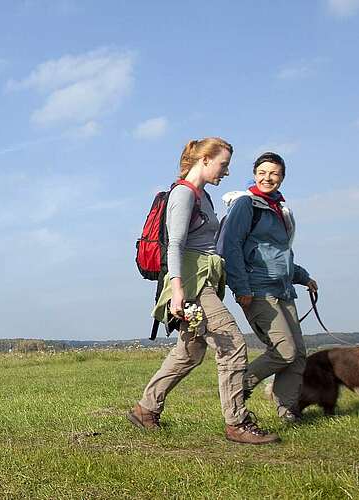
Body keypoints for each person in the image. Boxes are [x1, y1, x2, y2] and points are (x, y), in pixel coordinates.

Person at [127, 137, 279, 445]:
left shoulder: (203, 196)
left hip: (203, 279)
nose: (226, 171)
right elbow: (176, 246)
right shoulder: (183, 194)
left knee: (190, 351)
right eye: (223, 164)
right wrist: (178, 291)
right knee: (233, 344)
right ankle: (237, 422)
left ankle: (146, 409)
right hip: (192, 284)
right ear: (205, 160)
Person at [219, 152, 318, 423]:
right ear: (254, 174)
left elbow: (278, 253)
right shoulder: (245, 205)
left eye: (274, 173)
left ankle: (288, 412)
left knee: (297, 355)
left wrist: (302, 276)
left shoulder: (279, 209)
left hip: (284, 288)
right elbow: (232, 247)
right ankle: (239, 387)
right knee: (283, 350)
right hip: (258, 289)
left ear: (282, 178)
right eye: (262, 172)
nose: (268, 178)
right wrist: (241, 288)